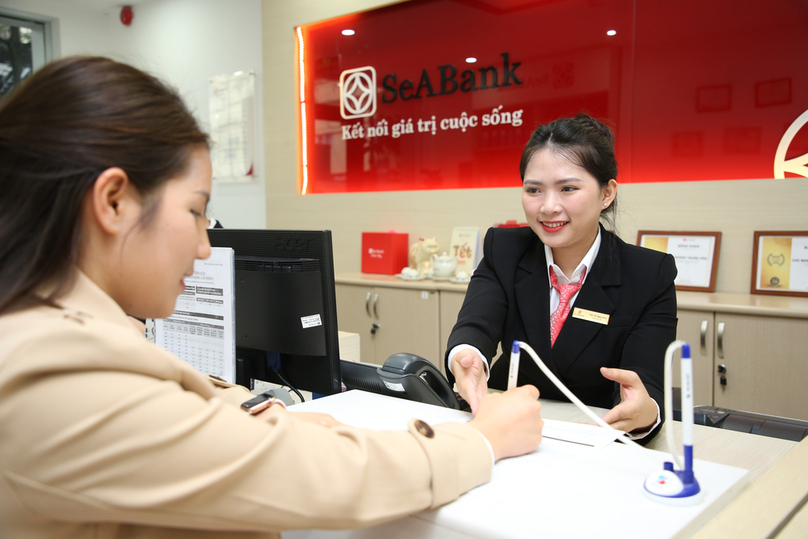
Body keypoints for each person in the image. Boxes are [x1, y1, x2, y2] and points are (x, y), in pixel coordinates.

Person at [0, 56, 544, 538]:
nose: (205, 245)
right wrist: (482, 440)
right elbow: (327, 477)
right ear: (114, 201)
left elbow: (166, 396)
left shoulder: (53, 328)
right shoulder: (57, 368)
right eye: (194, 212)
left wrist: (261, 416)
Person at [447, 113, 677, 441]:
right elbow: (476, 326)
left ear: (607, 193)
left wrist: (645, 410)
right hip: (504, 424)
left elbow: (645, 384)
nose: (548, 207)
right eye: (534, 190)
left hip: (595, 437)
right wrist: (466, 358)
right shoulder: (504, 248)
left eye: (568, 188)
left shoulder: (649, 274)